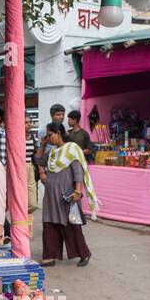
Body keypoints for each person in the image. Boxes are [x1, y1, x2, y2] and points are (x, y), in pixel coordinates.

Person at [40, 121, 98, 268]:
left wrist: (78, 191)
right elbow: (38, 160)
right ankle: (49, 256)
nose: (48, 137)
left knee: (71, 226)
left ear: (58, 133)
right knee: (49, 224)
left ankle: (84, 253)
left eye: (50, 134)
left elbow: (78, 171)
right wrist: (42, 145)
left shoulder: (71, 149)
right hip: (50, 196)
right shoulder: (52, 152)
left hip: (66, 195)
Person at [34, 103, 67, 184]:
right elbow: (39, 151)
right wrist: (42, 172)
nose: (61, 117)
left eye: (63, 114)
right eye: (58, 115)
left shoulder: (64, 130)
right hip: (49, 169)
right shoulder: (44, 131)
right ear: (52, 116)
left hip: (63, 169)